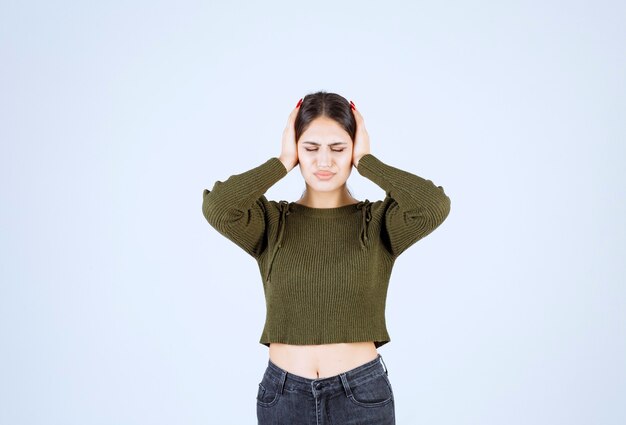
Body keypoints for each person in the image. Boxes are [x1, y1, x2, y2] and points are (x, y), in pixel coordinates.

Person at [202, 91, 451, 424]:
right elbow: (218, 207)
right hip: (283, 395)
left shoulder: (378, 221)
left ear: (353, 148)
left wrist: (368, 161)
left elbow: (433, 205)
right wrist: (281, 162)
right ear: (296, 150)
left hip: (360, 394)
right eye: (310, 148)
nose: (324, 162)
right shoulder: (271, 222)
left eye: (338, 149)